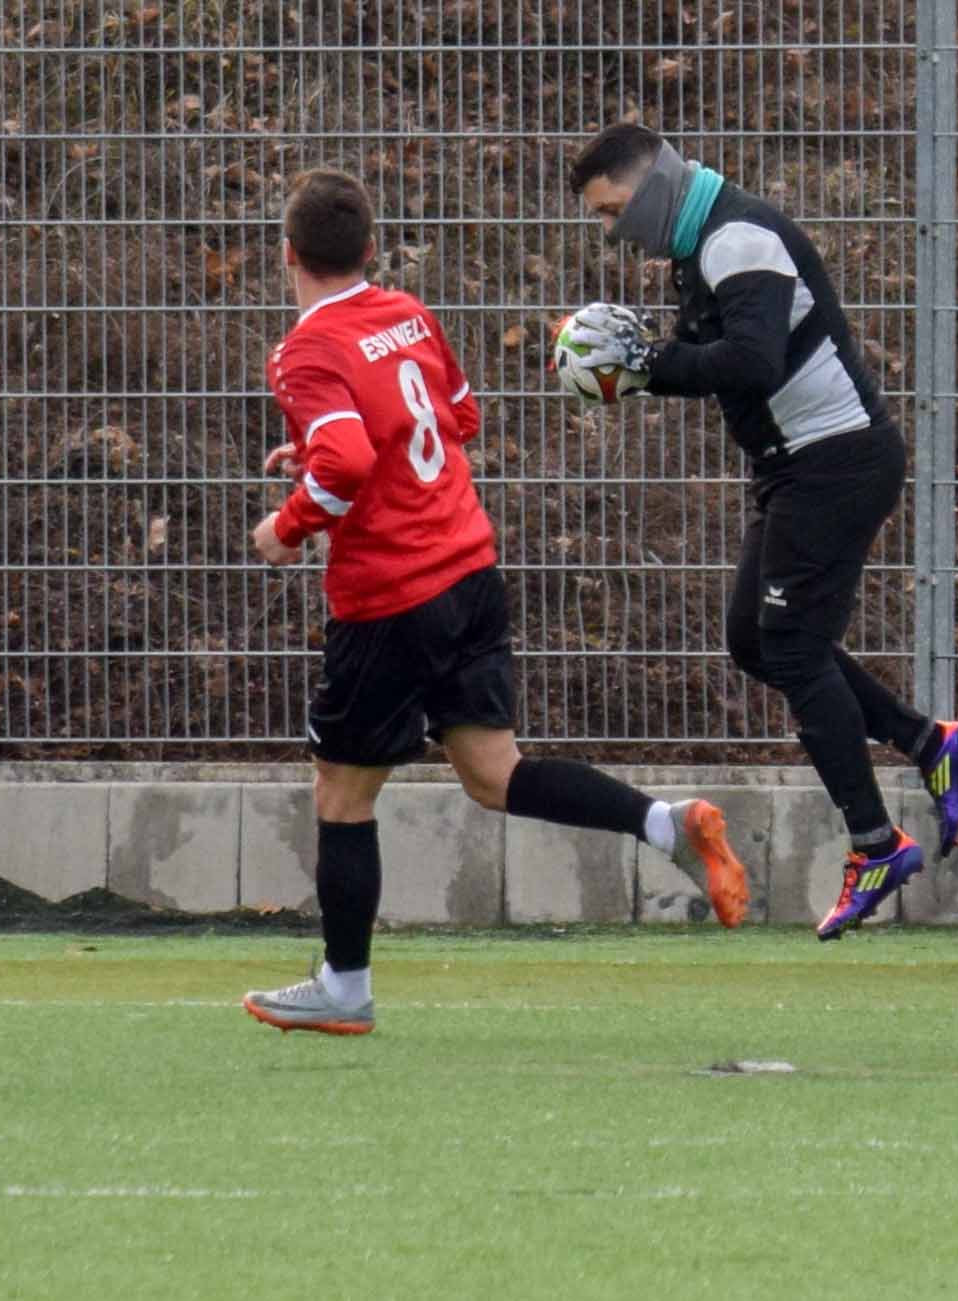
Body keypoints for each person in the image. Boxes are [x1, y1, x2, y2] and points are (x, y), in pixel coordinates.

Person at [241, 169, 752, 1037]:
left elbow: (350, 461)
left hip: (390, 597)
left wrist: (289, 525)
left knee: (342, 793)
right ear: (372, 249)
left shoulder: (304, 351)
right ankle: (666, 824)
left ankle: (345, 985)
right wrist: (332, 459)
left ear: (287, 254)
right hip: (469, 571)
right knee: (493, 773)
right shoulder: (409, 315)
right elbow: (459, 418)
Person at [555, 123, 958, 940]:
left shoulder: (737, 240)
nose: (612, 232)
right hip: (797, 465)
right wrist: (639, 366)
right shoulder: (700, 247)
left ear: (650, 188)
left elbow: (752, 361)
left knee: (790, 648)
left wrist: (646, 364)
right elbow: (716, 360)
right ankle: (929, 742)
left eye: (612, 211)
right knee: (754, 638)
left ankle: (875, 844)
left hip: (835, 460)